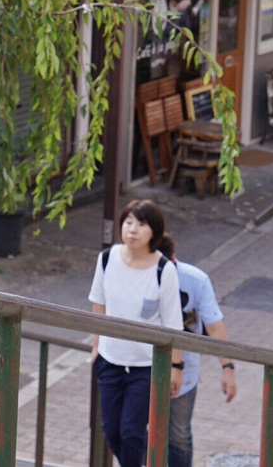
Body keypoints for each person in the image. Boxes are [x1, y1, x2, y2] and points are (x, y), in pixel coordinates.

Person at [89, 200, 183, 467]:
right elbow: (99, 304)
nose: (132, 229)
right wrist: (96, 348)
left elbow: (173, 323)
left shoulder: (164, 270)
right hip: (109, 359)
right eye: (128, 222)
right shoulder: (107, 259)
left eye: (141, 224)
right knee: (111, 430)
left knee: (131, 431)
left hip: (146, 366)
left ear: (154, 231)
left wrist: (176, 365)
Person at [155, 235, 236, 467]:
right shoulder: (139, 276)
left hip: (184, 369)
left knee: (178, 436)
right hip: (140, 367)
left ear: (173, 259)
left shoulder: (195, 280)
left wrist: (227, 368)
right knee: (137, 431)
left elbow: (214, 326)